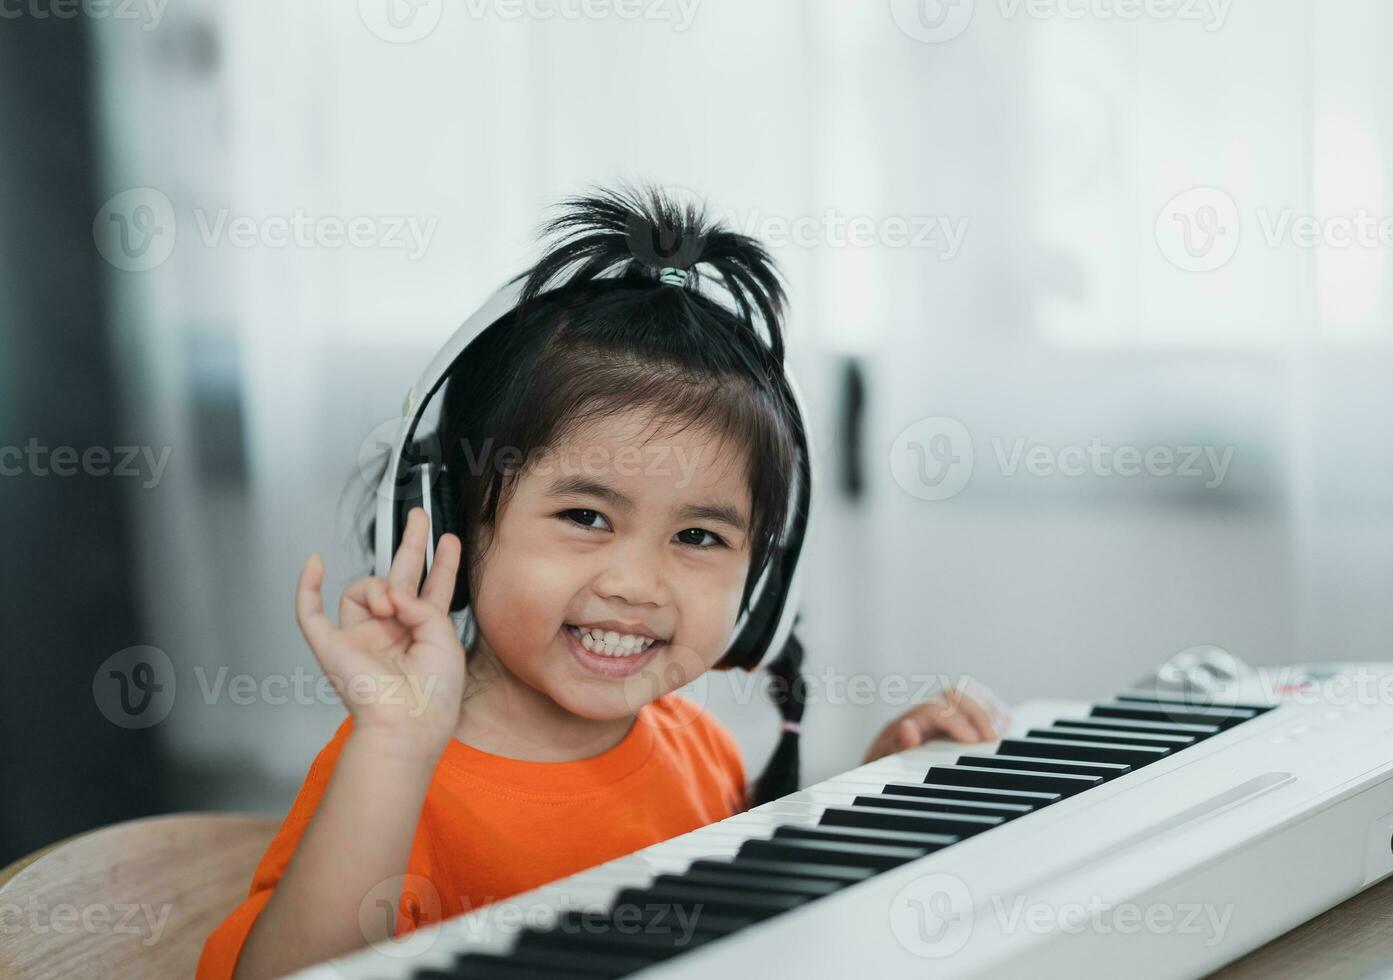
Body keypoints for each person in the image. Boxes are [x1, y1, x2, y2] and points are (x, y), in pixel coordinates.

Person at [198, 184, 1008, 980]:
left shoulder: (700, 752)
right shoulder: (393, 774)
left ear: (763, 585)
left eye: (697, 535)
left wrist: (877, 799)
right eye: (585, 517)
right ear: (452, 520)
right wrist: (393, 745)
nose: (636, 583)